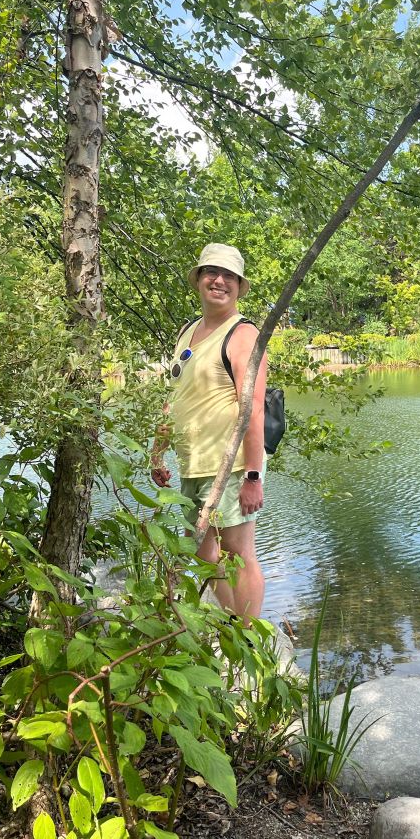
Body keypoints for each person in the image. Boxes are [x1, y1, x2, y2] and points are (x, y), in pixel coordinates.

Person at [151, 243, 267, 624]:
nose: (219, 281)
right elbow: (175, 396)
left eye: (229, 276)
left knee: (237, 551)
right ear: (199, 279)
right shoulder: (187, 331)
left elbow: (253, 409)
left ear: (239, 285)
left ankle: (250, 636)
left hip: (230, 466)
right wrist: (157, 452)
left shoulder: (243, 334)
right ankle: (235, 623)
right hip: (193, 462)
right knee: (203, 552)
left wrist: (252, 475)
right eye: (211, 273)